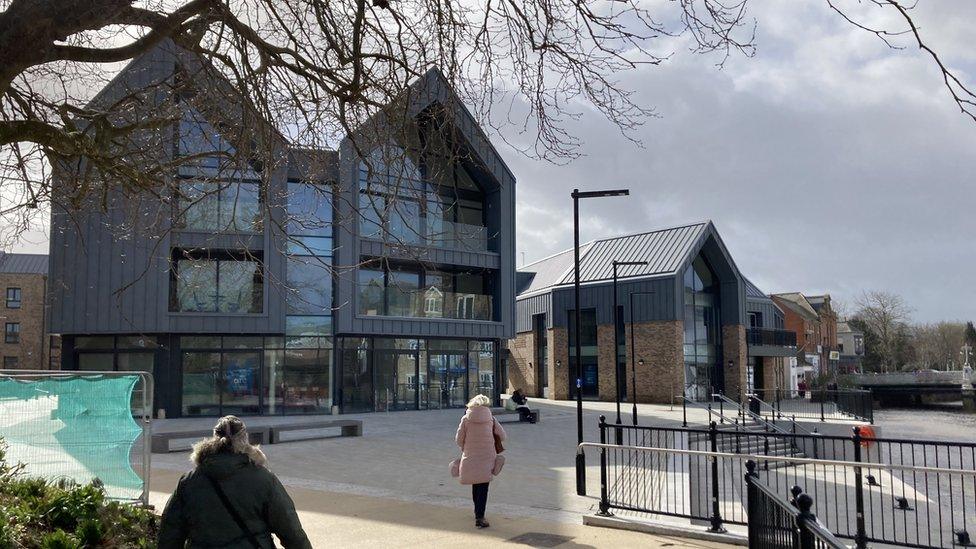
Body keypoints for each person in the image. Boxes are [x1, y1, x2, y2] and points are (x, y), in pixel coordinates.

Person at [158, 416, 312, 549]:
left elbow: (170, 532)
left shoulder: (189, 481)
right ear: (245, 440)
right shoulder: (263, 479)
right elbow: (291, 531)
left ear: (213, 439)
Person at [455, 394, 506, 528]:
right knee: (483, 486)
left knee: (475, 483)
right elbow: (503, 435)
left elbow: (458, 439)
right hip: (487, 456)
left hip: (470, 455)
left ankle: (477, 513)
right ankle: (480, 516)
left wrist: (465, 446)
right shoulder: (491, 419)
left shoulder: (466, 419)